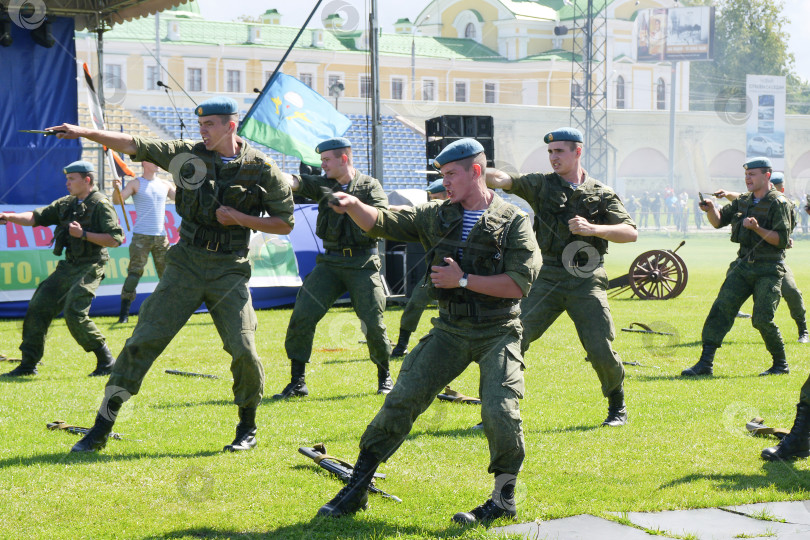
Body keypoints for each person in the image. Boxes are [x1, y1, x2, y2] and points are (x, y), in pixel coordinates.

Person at [47, 97, 295, 453]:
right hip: (185, 264)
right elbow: (134, 143)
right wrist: (82, 131)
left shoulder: (262, 168)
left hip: (229, 269)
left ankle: (247, 427)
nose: (202, 130)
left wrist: (241, 219)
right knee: (142, 342)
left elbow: (285, 223)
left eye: (210, 124)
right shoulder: (186, 155)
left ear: (230, 125)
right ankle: (101, 427)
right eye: (201, 125)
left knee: (244, 348)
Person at [315, 139, 540, 524]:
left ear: (476, 171)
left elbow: (520, 283)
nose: (445, 182)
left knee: (500, 411)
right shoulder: (436, 215)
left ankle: (503, 501)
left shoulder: (514, 220)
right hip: (450, 330)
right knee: (401, 400)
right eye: (442, 175)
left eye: (451, 174)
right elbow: (383, 222)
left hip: (497, 330)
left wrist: (463, 279)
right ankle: (357, 487)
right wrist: (354, 205)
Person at [485, 127, 638, 427]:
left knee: (599, 345)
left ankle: (617, 406)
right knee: (511, 336)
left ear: (577, 152)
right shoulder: (540, 185)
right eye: (550, 152)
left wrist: (595, 229)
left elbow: (630, 233)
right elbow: (503, 179)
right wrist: (475, 166)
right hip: (547, 274)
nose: (553, 157)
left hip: (586, 274)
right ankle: (498, 408)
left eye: (560, 152)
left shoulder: (601, 193)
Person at [274, 137, 393, 399]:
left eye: (327, 160)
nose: (323, 165)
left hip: (362, 263)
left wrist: (352, 207)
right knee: (302, 315)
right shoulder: (324, 184)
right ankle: (297, 382)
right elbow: (295, 181)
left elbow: (381, 221)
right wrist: (267, 169)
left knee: (372, 322)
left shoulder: (370, 186)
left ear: (344, 159)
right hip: (330, 263)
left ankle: (385, 377)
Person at [0, 161, 124, 377]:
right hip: (69, 265)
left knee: (74, 311)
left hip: (91, 264)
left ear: (87, 180)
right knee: (39, 305)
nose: (67, 183)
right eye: (66, 179)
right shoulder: (66, 203)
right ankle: (28, 364)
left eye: (71, 179)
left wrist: (83, 234)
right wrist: (8, 217)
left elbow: (115, 239)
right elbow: (36, 218)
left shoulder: (101, 203)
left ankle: (106, 361)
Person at [682, 158, 792, 377]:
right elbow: (719, 221)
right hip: (742, 266)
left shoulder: (779, 203)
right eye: (746, 174)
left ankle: (780, 365)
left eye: (752, 174)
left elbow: (781, 239)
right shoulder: (743, 201)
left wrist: (757, 228)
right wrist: (711, 209)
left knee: (762, 319)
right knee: (721, 310)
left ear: (767, 176)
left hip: (769, 269)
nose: (747, 178)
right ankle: (705, 364)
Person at [712, 172, 808, 344]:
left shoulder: (782, 202)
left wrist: (784, 240)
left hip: (773, 262)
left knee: (792, 291)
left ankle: (803, 329)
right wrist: (726, 193)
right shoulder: (753, 199)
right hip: (748, 260)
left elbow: (783, 233)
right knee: (731, 282)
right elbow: (741, 197)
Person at [390, 178, 448, 357]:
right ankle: (401, 344)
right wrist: (388, 209)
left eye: (437, 197)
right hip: (435, 273)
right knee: (415, 303)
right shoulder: (431, 213)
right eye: (431, 198)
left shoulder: (464, 212)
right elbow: (409, 211)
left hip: (462, 273)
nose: (433, 202)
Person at [112, 161, 176, 323]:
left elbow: (181, 200)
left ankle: (169, 311)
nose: (158, 164)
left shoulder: (165, 184)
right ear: (145, 163)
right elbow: (118, 201)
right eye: (153, 161)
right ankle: (124, 314)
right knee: (134, 273)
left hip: (162, 237)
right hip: (141, 236)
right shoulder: (136, 183)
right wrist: (116, 189)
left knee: (167, 275)